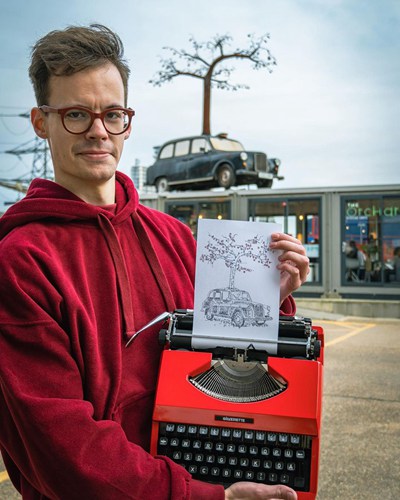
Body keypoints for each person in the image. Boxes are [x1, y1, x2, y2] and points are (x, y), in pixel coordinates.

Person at [0, 24, 309, 500]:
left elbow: (224, 361)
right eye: (76, 115)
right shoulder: (20, 261)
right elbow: (63, 449)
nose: (99, 131)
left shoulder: (173, 236)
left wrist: (271, 300)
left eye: (113, 114)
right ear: (41, 122)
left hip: (204, 465)